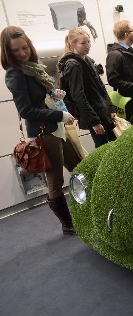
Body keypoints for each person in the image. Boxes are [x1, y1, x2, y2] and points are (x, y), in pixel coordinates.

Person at [1, 26, 80, 235]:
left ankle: (85, 210)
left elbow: (41, 97)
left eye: (24, 48)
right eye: (15, 51)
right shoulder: (15, 74)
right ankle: (68, 224)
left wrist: (54, 94)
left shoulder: (33, 67)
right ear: (8, 52)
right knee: (55, 181)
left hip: (56, 127)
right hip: (45, 133)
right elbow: (26, 110)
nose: (21, 53)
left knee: (80, 167)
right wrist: (59, 115)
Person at [57, 27, 116, 148]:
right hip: (93, 114)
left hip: (101, 111)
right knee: (103, 148)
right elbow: (78, 96)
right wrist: (94, 122)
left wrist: (110, 109)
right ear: (73, 44)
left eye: (88, 42)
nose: (87, 45)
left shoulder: (87, 60)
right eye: (83, 43)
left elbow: (101, 88)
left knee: (114, 146)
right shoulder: (73, 65)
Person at [106, 20, 133, 124]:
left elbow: (131, 75)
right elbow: (113, 80)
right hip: (132, 104)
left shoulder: (128, 51)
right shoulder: (116, 55)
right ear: (126, 34)